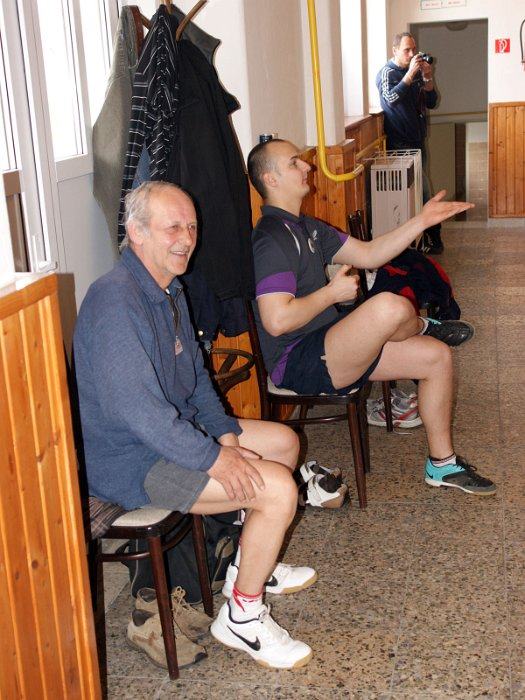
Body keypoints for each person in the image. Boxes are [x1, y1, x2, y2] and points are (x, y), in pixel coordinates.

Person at [73, 181, 316, 670]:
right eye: (172, 228)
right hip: (130, 459)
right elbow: (138, 413)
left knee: (283, 444)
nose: (186, 238)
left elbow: (198, 379)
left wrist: (225, 435)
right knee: (277, 491)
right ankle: (243, 617)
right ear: (136, 232)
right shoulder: (114, 302)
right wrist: (215, 457)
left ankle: (246, 571)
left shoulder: (170, 289)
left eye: (191, 226)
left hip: (171, 432)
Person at [247, 138, 496, 497]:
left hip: (330, 343)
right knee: (388, 307)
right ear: (270, 179)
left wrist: (421, 221)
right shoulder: (271, 239)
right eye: (294, 163)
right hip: (297, 360)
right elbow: (276, 320)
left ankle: (442, 465)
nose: (307, 167)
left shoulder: (306, 227)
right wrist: (331, 294)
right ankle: (424, 326)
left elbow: (369, 254)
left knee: (436, 357)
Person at [376, 32, 444, 254]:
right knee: (419, 194)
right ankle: (431, 240)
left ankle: (427, 240)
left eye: (413, 49)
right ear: (394, 50)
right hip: (400, 145)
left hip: (418, 142)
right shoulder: (387, 73)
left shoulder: (415, 73)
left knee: (421, 193)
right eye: (406, 50)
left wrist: (427, 77)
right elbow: (390, 100)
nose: (412, 53)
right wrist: (409, 75)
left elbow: (432, 102)